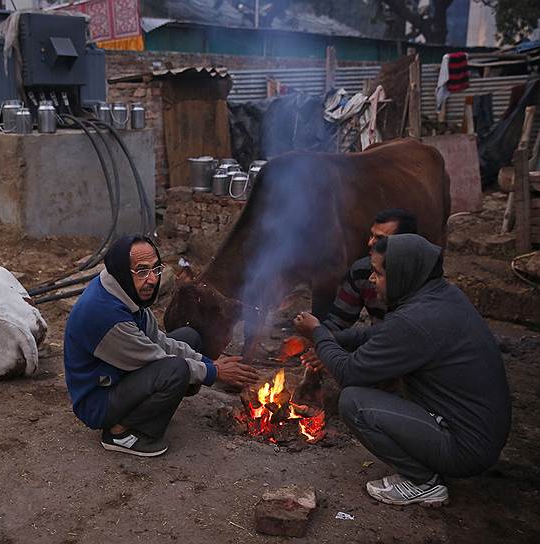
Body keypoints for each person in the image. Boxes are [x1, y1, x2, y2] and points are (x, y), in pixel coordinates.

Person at [294, 234, 511, 507]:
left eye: (378, 273)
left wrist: (317, 332)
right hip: (476, 435)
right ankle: (429, 458)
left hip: (465, 448)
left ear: (402, 273)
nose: (372, 280)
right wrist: (328, 336)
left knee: (353, 401)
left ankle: (423, 482)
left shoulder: (415, 322)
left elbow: (349, 372)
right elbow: (379, 334)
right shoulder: (438, 297)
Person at [64, 235, 259, 457]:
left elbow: (159, 340)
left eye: (155, 270)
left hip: (118, 375)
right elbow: (155, 358)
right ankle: (120, 433)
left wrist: (210, 363)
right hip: (98, 401)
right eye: (141, 271)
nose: (152, 280)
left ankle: (147, 411)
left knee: (189, 337)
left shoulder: (125, 291)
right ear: (121, 270)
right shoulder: (105, 315)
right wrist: (215, 372)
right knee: (175, 370)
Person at [322, 209, 417, 332]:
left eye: (380, 238)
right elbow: (338, 321)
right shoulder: (362, 271)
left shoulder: (421, 280)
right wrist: (319, 334)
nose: (370, 242)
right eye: (371, 235)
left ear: (403, 243)